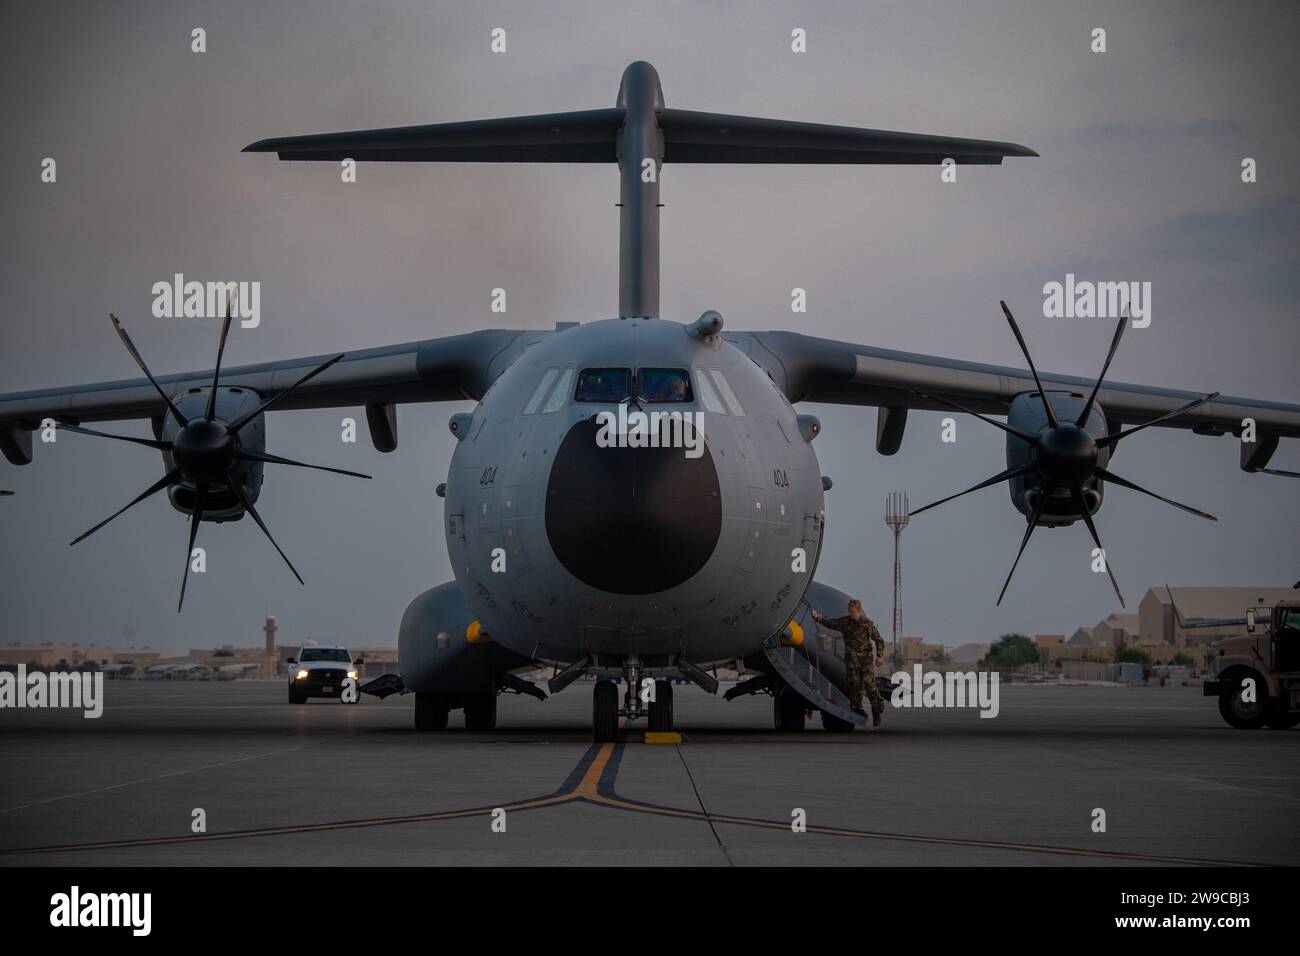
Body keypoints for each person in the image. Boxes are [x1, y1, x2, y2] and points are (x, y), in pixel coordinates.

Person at [812, 599, 887, 726]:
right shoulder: (845, 622)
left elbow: (879, 640)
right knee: (855, 687)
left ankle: (877, 709)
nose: (850, 614)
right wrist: (817, 617)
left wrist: (879, 656)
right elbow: (831, 623)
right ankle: (859, 710)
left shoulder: (867, 624)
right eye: (849, 611)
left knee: (869, 685)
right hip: (852, 662)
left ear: (858, 611)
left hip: (866, 661)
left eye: (852, 612)